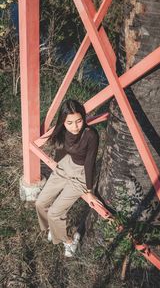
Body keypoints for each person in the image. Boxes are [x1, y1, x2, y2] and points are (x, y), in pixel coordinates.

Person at [35, 99, 102, 257]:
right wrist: (58, 166)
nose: (75, 127)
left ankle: (70, 240)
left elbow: (90, 163)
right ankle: (53, 228)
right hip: (65, 167)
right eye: (70, 122)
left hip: (80, 173)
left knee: (54, 213)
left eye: (79, 121)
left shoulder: (90, 135)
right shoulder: (63, 131)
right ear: (63, 121)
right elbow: (61, 149)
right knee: (40, 203)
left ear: (83, 118)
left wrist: (89, 190)